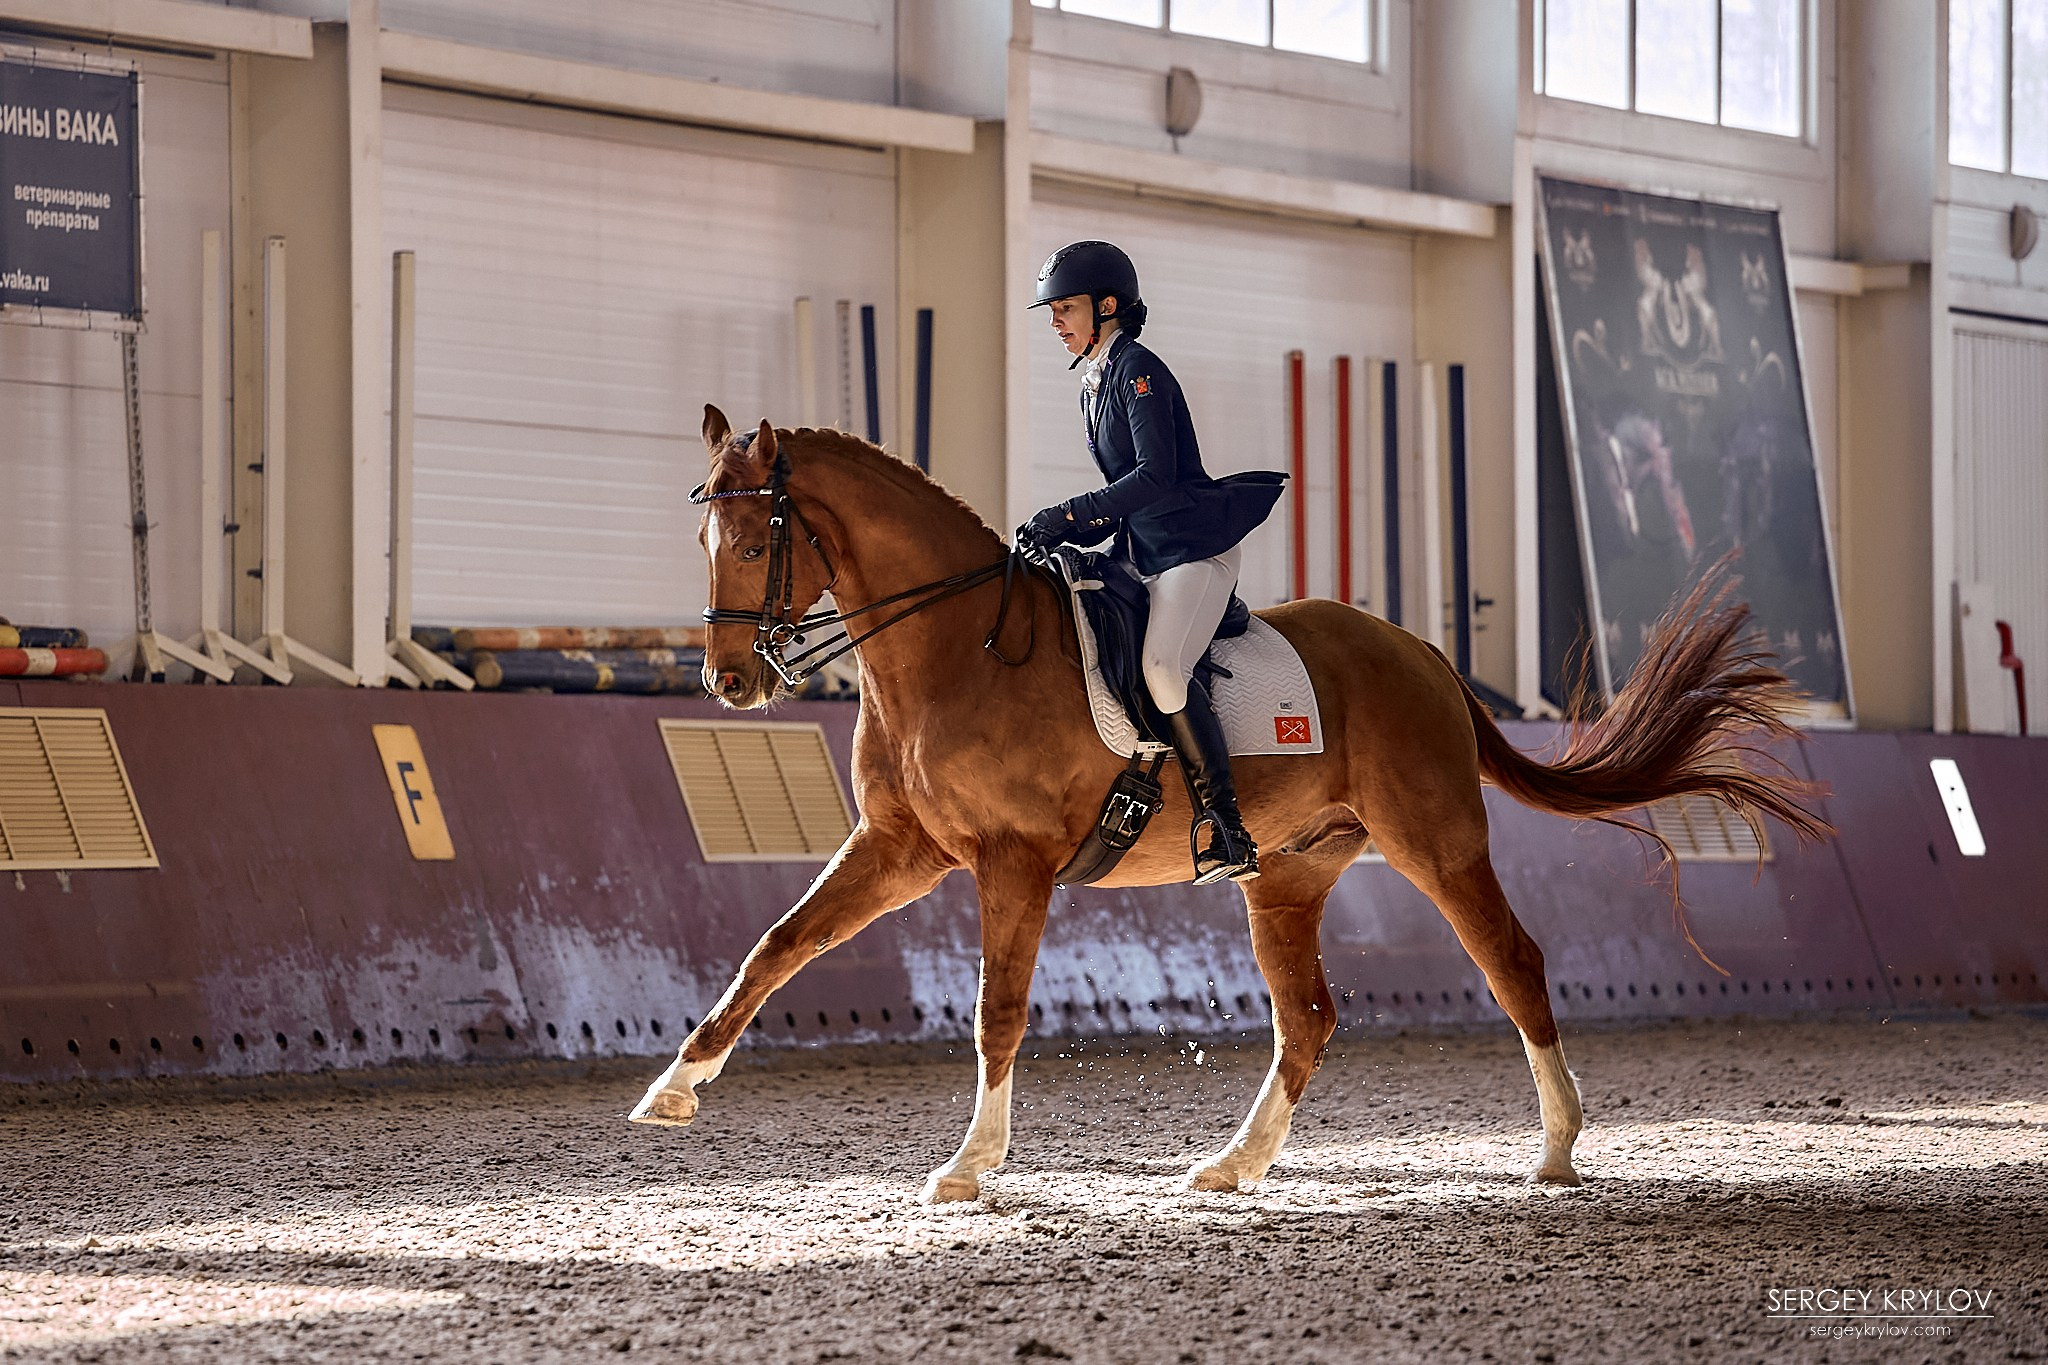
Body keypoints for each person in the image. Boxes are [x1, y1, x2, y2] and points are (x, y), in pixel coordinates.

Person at [1016, 240, 1285, 885]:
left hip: (1190, 551)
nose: (1055, 320)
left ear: (1107, 307)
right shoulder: (1094, 380)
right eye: (1051, 309)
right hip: (1141, 552)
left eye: (1066, 307)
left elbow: (1155, 478)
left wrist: (1073, 514)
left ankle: (1225, 825)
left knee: (1164, 670)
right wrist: (1076, 532)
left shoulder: (1139, 370)